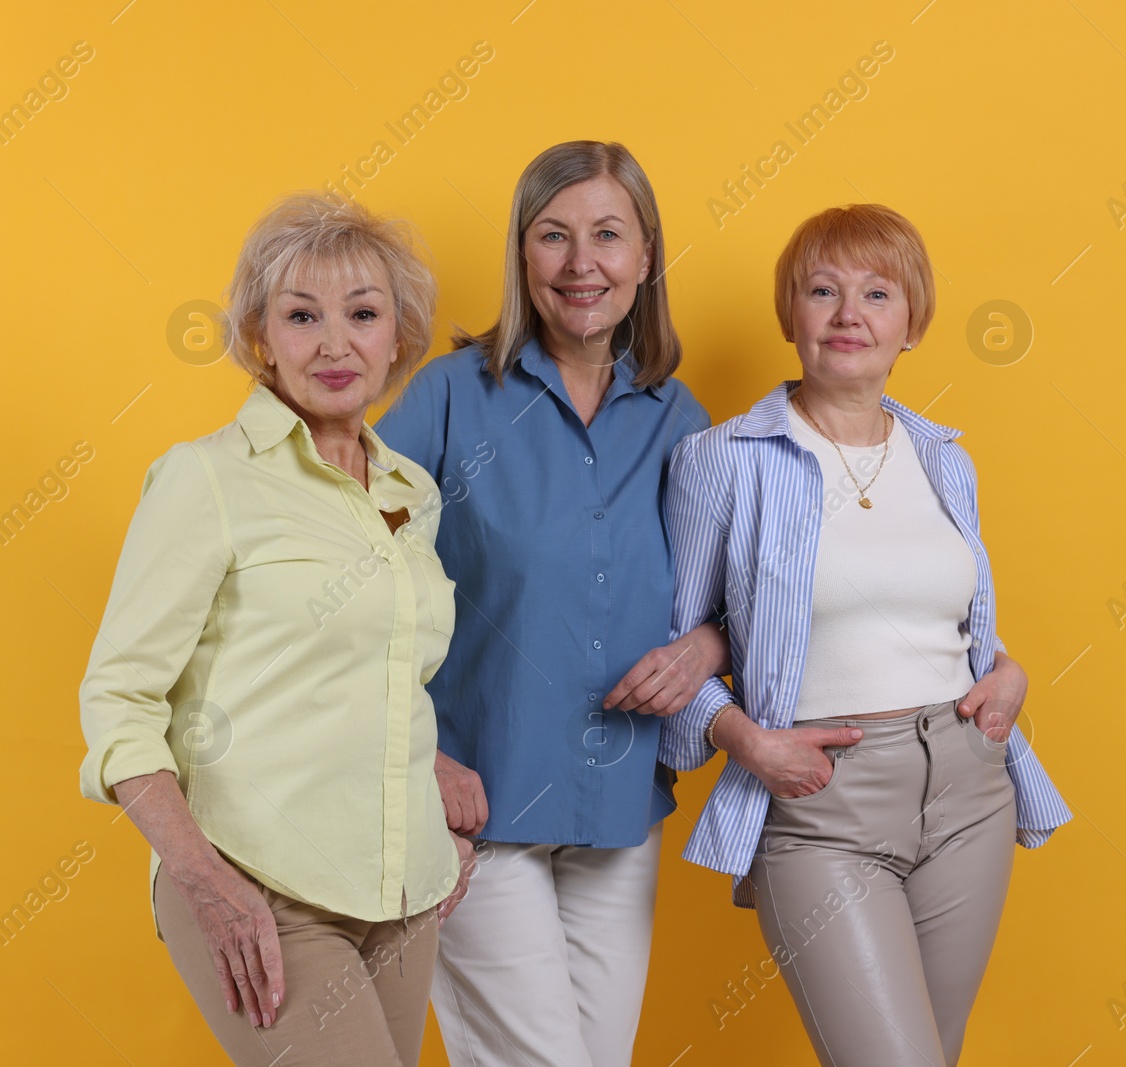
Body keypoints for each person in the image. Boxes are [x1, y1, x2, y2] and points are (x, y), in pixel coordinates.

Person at [661, 203, 1072, 1066]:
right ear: (792, 316)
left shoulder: (945, 458)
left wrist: (1011, 673)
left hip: (969, 790)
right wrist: (747, 740)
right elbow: (670, 657)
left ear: (911, 323)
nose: (849, 315)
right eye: (823, 291)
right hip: (822, 806)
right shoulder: (723, 460)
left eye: (877, 293)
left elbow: (955, 625)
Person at [78, 194, 474, 1066]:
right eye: (302, 316)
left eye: (363, 314)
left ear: (399, 336)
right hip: (256, 882)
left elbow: (374, 665)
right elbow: (118, 696)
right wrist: (204, 879)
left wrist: (432, 796)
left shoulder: (410, 490)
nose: (335, 344)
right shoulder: (206, 479)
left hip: (404, 892)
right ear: (261, 335)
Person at [376, 140, 726, 1067]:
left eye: (608, 235)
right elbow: (346, 576)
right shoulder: (450, 397)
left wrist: (706, 647)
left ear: (646, 256)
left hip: (619, 808)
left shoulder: (677, 418)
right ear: (521, 254)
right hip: (474, 806)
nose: (582, 264)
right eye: (553, 236)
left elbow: (741, 591)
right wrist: (424, 753)